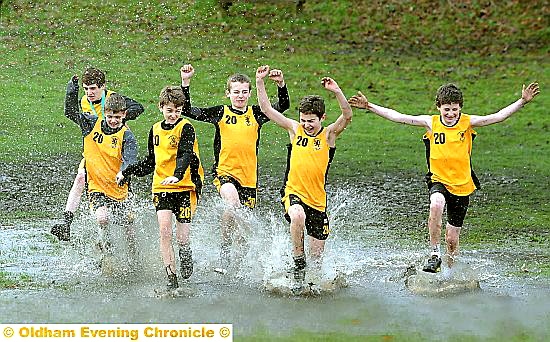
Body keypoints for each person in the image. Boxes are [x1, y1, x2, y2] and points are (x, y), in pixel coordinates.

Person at [348, 81, 540, 272]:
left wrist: (522, 101)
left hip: (463, 186)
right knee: (436, 204)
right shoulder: (431, 122)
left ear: (460, 108)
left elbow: (498, 116)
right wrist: (369, 106)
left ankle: (450, 274)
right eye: (446, 109)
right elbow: (397, 116)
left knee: (451, 240)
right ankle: (434, 254)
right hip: (438, 180)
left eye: (454, 109)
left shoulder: (467, 123)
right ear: (438, 107)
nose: (450, 114)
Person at [181, 64, 290, 268]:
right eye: (236, 92)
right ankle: (224, 247)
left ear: (249, 93)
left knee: (243, 228)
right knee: (232, 203)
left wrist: (281, 84)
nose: (240, 96)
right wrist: (185, 82)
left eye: (244, 92)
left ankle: (237, 268)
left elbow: (283, 106)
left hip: (249, 179)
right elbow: (188, 110)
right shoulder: (220, 113)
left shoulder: (257, 113)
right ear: (228, 93)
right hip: (225, 173)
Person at [255, 65, 353, 286]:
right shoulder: (294, 129)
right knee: (297, 216)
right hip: (293, 192)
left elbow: (347, 115)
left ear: (322, 118)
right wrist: (260, 82)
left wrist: (337, 91)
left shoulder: (329, 135)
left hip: (318, 201)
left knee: (317, 260)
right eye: (304, 120)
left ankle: (309, 285)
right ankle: (298, 260)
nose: (307, 125)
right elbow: (267, 109)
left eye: (311, 121)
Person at [116, 73, 204, 290]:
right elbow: (150, 162)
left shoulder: (186, 128)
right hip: (161, 186)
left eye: (177, 110)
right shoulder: (155, 129)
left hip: (185, 186)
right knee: (165, 230)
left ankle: (185, 254)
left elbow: (185, 154)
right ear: (161, 107)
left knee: (182, 237)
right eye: (169, 110)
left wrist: (177, 173)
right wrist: (127, 171)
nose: (173, 114)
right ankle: (171, 278)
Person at [51, 67, 144, 242]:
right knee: (80, 178)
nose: (89, 93)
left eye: (93, 88)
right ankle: (66, 224)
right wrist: (72, 90)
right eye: (86, 89)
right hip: (94, 149)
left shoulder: (114, 99)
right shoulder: (84, 102)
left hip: (115, 151)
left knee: (126, 214)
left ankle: (129, 234)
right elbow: (71, 113)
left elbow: (139, 108)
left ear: (103, 86)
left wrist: (116, 119)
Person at [63, 75, 139, 272]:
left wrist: (124, 171)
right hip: (97, 186)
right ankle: (108, 253)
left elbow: (130, 158)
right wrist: (72, 90)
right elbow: (70, 111)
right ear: (104, 113)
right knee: (102, 218)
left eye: (117, 117)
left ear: (124, 116)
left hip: (119, 188)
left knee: (129, 227)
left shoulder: (127, 136)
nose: (113, 121)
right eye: (110, 116)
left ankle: (135, 261)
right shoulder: (90, 123)